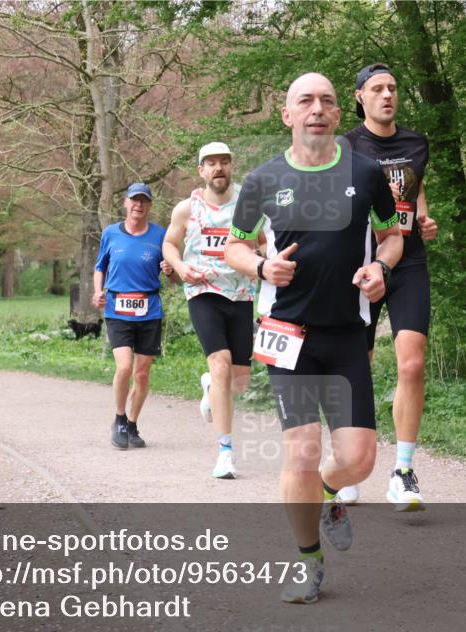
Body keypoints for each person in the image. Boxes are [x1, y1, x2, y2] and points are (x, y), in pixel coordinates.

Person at [225, 73, 402, 604]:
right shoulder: (261, 179)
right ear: (288, 115)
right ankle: (307, 562)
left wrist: (382, 269)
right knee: (300, 452)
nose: (317, 109)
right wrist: (260, 266)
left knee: (360, 459)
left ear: (336, 111)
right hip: (288, 334)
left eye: (326, 100)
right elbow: (233, 247)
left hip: (349, 331)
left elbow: (392, 235)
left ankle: (329, 494)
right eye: (305, 100)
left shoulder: (366, 174)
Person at [337, 63, 439, 511]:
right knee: (355, 363)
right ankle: (348, 461)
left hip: (408, 261)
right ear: (359, 96)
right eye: (377, 89)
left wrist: (424, 217)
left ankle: (402, 471)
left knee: (412, 365)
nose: (387, 95)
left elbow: (413, 192)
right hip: (362, 266)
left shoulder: (416, 142)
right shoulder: (346, 147)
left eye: (393, 88)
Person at [163, 142, 259, 479]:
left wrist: (263, 258)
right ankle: (225, 452)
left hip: (242, 292)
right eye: (211, 163)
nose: (218, 168)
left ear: (232, 166)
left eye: (224, 162)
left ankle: (210, 388)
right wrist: (178, 266)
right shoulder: (187, 208)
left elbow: (263, 240)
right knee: (220, 365)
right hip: (203, 290)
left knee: (240, 381)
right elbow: (169, 243)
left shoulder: (248, 203)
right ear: (201, 170)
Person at [93, 183, 174, 450]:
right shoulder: (110, 234)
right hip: (117, 308)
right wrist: (97, 292)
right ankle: (118, 419)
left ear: (149, 206)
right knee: (124, 367)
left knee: (141, 374)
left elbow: (173, 277)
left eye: (144, 201)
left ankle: (132, 424)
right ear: (125, 203)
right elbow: (99, 267)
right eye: (134, 201)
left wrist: (169, 269)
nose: (138, 205)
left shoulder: (161, 235)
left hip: (149, 309)